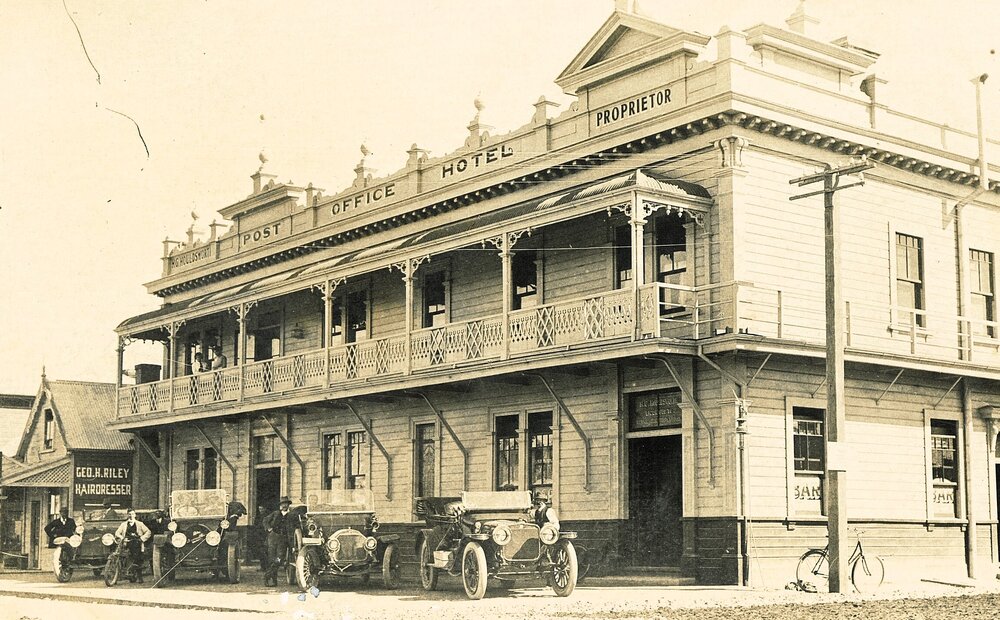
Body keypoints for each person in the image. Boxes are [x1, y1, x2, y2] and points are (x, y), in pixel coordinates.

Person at [261, 496, 293, 587]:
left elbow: (295, 526)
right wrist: (269, 529)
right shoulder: (275, 514)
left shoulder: (291, 515)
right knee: (271, 559)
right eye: (282, 504)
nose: (284, 505)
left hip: (283, 539)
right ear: (280, 505)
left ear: (288, 505)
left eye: (286, 504)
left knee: (279, 559)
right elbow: (265, 520)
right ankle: (274, 581)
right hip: (273, 537)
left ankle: (267, 576)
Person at [114, 509, 152, 583]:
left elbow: (148, 532)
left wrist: (142, 539)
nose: (131, 516)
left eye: (132, 514)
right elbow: (117, 533)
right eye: (129, 514)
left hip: (137, 542)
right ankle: (118, 574)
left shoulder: (140, 524)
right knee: (119, 554)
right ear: (127, 515)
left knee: (137, 558)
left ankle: (139, 576)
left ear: (135, 515)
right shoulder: (123, 524)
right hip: (126, 542)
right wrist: (122, 538)